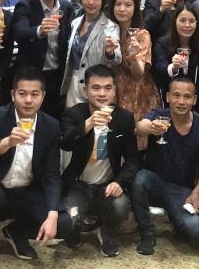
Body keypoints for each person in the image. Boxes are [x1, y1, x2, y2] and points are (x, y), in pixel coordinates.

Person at [0, 68, 75, 269]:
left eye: (34, 94)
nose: (28, 100)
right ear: (12, 95)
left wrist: (52, 214)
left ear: (43, 97)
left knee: (63, 222)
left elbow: (52, 175)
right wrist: (7, 142)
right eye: (22, 94)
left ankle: (16, 232)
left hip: (27, 192)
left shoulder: (51, 125)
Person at [60, 66, 141, 256]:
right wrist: (88, 123)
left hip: (106, 186)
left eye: (108, 88)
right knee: (68, 222)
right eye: (95, 88)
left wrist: (120, 182)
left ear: (114, 90)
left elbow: (133, 160)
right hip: (77, 185)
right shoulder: (74, 114)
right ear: (85, 90)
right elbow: (66, 144)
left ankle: (107, 233)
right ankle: (75, 227)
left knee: (121, 205)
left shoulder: (124, 118)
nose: (102, 93)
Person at [132, 77, 199, 254]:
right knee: (140, 179)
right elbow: (139, 127)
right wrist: (150, 127)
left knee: (193, 229)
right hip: (155, 183)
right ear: (168, 97)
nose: (181, 101)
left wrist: (196, 193)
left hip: (182, 189)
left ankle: (176, 220)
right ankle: (147, 233)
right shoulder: (158, 116)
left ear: (195, 100)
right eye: (176, 95)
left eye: (187, 97)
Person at [10, 0, 74, 118]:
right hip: (32, 75)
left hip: (58, 74)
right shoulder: (25, 5)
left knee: (54, 119)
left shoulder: (66, 7)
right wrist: (39, 30)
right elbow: (19, 33)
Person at [108, 0, 159, 137]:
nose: (122, 9)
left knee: (136, 140)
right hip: (115, 91)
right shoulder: (110, 32)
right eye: (118, 4)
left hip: (138, 94)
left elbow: (138, 74)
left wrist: (135, 56)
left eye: (127, 5)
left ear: (135, 8)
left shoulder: (141, 35)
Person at [61, 0, 120, 109]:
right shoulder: (75, 23)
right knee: (72, 118)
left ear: (103, 0)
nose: (91, 2)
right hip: (72, 83)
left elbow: (117, 58)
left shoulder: (110, 26)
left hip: (97, 87)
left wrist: (109, 52)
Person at [153, 3, 199, 116]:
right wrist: (173, 67)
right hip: (168, 102)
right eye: (182, 20)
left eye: (192, 21)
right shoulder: (163, 43)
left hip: (196, 104)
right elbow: (159, 68)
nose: (187, 25)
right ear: (175, 22)